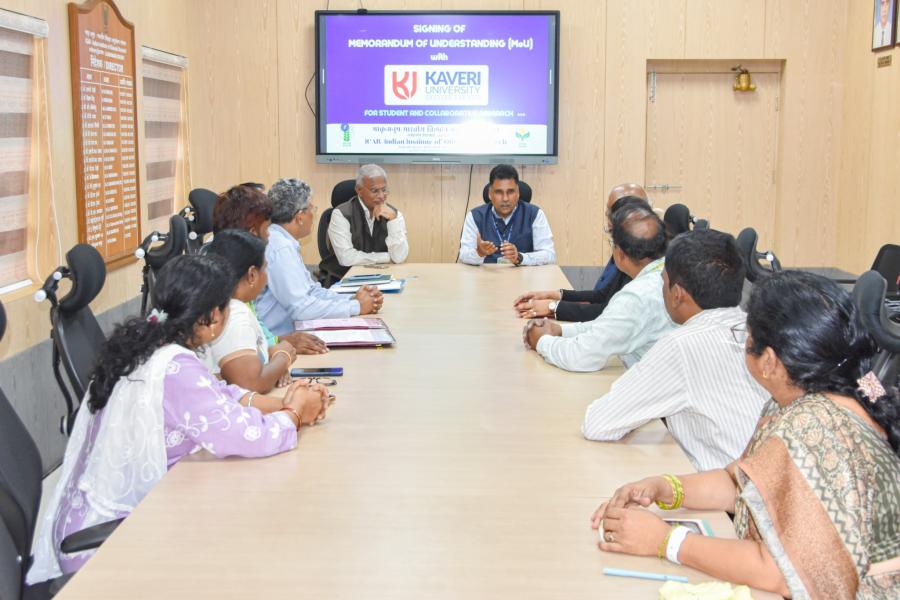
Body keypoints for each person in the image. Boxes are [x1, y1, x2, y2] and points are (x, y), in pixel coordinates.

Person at [590, 271, 900, 598]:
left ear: (769, 361)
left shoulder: (812, 426)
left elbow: (785, 572)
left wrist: (665, 542)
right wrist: (664, 487)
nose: (745, 344)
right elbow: (740, 482)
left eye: (747, 336)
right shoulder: (805, 398)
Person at [28, 254, 332, 582]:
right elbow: (245, 438)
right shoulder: (174, 366)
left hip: (99, 518)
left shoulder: (150, 343)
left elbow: (216, 395)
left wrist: (286, 402)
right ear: (213, 318)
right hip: (110, 543)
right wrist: (295, 414)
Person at [581, 230, 769, 471]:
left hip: (726, 500)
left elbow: (599, 423)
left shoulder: (682, 346)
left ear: (677, 295)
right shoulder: (758, 329)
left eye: (663, 281)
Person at [523, 204, 675, 372]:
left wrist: (541, 340)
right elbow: (608, 326)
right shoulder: (669, 272)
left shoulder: (637, 296)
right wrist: (560, 330)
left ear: (619, 253)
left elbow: (581, 357)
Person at [256, 178, 383, 336]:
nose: (313, 214)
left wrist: (353, 300)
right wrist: (356, 306)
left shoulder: (283, 240)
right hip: (281, 340)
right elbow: (301, 308)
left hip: (294, 332)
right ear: (299, 217)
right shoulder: (280, 247)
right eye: (311, 209)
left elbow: (312, 291)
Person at [212, 184, 328, 356]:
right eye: (267, 229)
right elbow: (243, 364)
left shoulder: (240, 273)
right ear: (252, 232)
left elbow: (259, 332)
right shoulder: (224, 286)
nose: (269, 236)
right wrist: (280, 354)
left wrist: (281, 341)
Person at [513, 195, 649, 322]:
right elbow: (601, 295)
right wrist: (554, 295)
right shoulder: (634, 258)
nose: (614, 246)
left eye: (613, 237)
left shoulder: (644, 273)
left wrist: (552, 307)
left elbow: (607, 313)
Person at [202, 229, 297, 393]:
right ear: (252, 274)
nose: (266, 276)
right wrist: (283, 356)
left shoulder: (226, 304)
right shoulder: (233, 312)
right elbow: (250, 384)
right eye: (264, 269)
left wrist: (273, 368)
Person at [319, 164, 409, 284]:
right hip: (343, 279)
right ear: (359, 190)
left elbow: (399, 257)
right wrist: (387, 257)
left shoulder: (394, 215)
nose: (382, 196)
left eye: (384, 190)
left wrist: (393, 222)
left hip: (382, 279)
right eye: (374, 191)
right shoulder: (340, 214)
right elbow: (346, 258)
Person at [458, 164, 556, 266]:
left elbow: (550, 255)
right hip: (486, 277)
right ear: (490, 194)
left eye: (510, 192)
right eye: (499, 192)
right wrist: (479, 253)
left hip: (524, 277)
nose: (505, 198)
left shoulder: (535, 214)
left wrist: (520, 257)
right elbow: (463, 254)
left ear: (518, 192)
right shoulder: (475, 216)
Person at [593, 183, 648, 290]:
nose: (607, 215)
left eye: (612, 212)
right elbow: (602, 293)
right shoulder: (621, 242)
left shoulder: (636, 256)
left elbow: (606, 302)